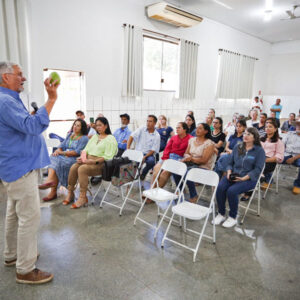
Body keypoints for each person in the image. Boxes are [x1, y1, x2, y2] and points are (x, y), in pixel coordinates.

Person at [0, 61, 59, 284]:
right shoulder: (5, 101)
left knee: (15, 214)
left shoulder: (9, 100)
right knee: (30, 217)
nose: (23, 78)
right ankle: (25, 269)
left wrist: (33, 116)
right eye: (19, 74)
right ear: (6, 77)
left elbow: (24, 126)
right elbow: (33, 127)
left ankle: (12, 255)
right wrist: (51, 99)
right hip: (20, 167)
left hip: (15, 166)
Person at [213, 128, 265, 228]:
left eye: (249, 134)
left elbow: (258, 169)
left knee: (232, 191)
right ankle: (221, 213)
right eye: (245, 133)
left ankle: (233, 216)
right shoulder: (240, 147)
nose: (245, 135)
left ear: (255, 137)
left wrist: (244, 178)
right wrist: (228, 172)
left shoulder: (259, 151)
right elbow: (230, 162)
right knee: (220, 188)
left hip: (249, 178)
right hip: (234, 175)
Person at [63, 117, 118, 208]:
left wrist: (93, 161)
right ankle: (70, 193)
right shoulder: (95, 137)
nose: (98, 127)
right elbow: (86, 150)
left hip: (100, 164)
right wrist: (82, 157)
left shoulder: (110, 139)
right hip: (87, 161)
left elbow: (108, 157)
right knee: (74, 167)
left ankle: (82, 197)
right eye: (96, 125)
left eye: (100, 125)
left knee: (82, 169)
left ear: (106, 126)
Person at [38, 119, 89, 201]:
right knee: (53, 158)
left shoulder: (84, 138)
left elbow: (76, 152)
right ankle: (49, 183)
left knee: (58, 161)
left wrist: (61, 153)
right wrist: (58, 150)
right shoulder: (70, 135)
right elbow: (62, 145)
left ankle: (52, 189)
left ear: (82, 128)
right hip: (65, 156)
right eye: (74, 125)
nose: (75, 127)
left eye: (78, 126)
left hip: (75, 159)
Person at [240, 118, 284, 201]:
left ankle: (248, 192)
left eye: (270, 127)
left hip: (269, 161)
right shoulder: (260, 139)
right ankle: (252, 180)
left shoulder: (278, 142)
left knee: (254, 170)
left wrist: (264, 160)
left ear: (275, 129)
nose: (267, 128)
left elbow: (279, 157)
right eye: (266, 127)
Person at [173, 123, 216, 203]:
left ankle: (193, 194)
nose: (197, 130)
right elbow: (186, 153)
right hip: (191, 163)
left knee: (187, 172)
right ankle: (181, 189)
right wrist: (187, 157)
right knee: (175, 169)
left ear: (206, 131)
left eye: (200, 128)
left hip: (203, 166)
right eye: (197, 128)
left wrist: (191, 158)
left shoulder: (209, 144)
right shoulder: (192, 140)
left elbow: (204, 160)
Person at [151, 122, 192, 189]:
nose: (177, 129)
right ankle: (151, 189)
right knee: (156, 168)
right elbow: (167, 149)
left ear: (185, 129)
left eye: (179, 128)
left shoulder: (191, 138)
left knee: (165, 172)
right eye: (176, 128)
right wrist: (165, 159)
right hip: (168, 157)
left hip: (179, 159)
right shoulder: (174, 138)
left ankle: (155, 191)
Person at [127, 115, 160, 181]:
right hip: (138, 152)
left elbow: (153, 150)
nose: (148, 123)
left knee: (151, 162)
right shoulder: (142, 128)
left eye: (150, 121)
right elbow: (131, 136)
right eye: (147, 121)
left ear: (154, 123)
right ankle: (136, 174)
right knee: (133, 164)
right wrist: (128, 148)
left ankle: (144, 173)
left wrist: (144, 157)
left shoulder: (157, 135)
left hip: (148, 154)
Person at [282, 121, 300, 194]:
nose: (298, 126)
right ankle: (268, 180)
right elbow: (282, 144)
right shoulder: (289, 133)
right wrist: (281, 154)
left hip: (297, 156)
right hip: (286, 153)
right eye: (298, 125)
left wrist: (293, 158)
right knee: (271, 159)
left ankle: (297, 185)